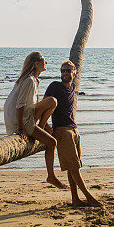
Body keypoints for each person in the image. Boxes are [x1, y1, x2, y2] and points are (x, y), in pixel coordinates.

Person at [4, 51, 67, 189]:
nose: (46, 63)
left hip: (28, 118)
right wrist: (20, 129)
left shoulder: (34, 80)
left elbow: (34, 106)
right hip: (23, 122)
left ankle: (41, 127)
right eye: (44, 61)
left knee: (52, 101)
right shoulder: (29, 81)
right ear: (36, 64)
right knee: (52, 142)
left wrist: (45, 125)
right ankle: (51, 176)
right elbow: (20, 106)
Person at [44, 59, 101, 206]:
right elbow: (44, 105)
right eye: (62, 70)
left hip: (74, 129)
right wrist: (45, 127)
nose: (65, 73)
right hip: (62, 131)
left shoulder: (73, 87)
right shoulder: (54, 86)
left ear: (74, 72)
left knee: (73, 167)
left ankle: (75, 198)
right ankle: (89, 198)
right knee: (74, 168)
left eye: (68, 70)